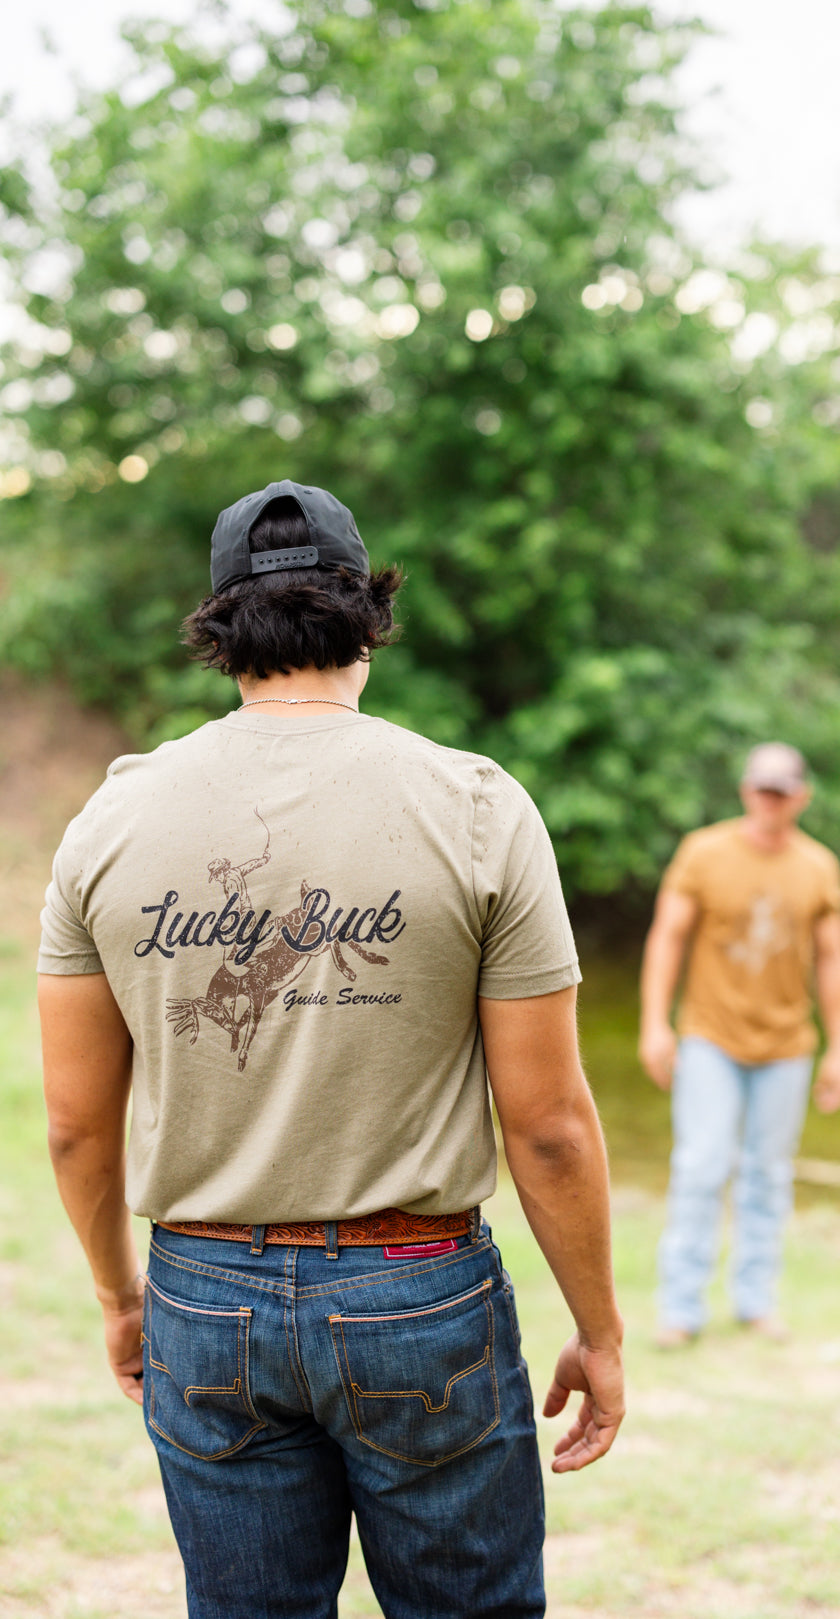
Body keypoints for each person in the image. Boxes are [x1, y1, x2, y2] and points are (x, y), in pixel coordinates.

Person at [38, 480, 624, 1619]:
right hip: (419, 1289)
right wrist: (597, 1328)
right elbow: (548, 1124)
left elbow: (74, 1121)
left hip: (202, 1294)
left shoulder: (110, 820)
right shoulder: (478, 806)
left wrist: (122, 1294)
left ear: (219, 627)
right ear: (368, 618)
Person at [638, 742, 840, 1345]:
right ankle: (681, 1308)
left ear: (802, 798)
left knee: (768, 1174)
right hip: (711, 1035)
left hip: (787, 1044)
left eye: (783, 792)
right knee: (702, 1166)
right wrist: (656, 1024)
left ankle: (756, 1301)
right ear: (745, 791)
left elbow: (835, 960)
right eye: (763, 789)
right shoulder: (703, 853)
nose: (771, 801)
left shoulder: (818, 866)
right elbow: (667, 938)